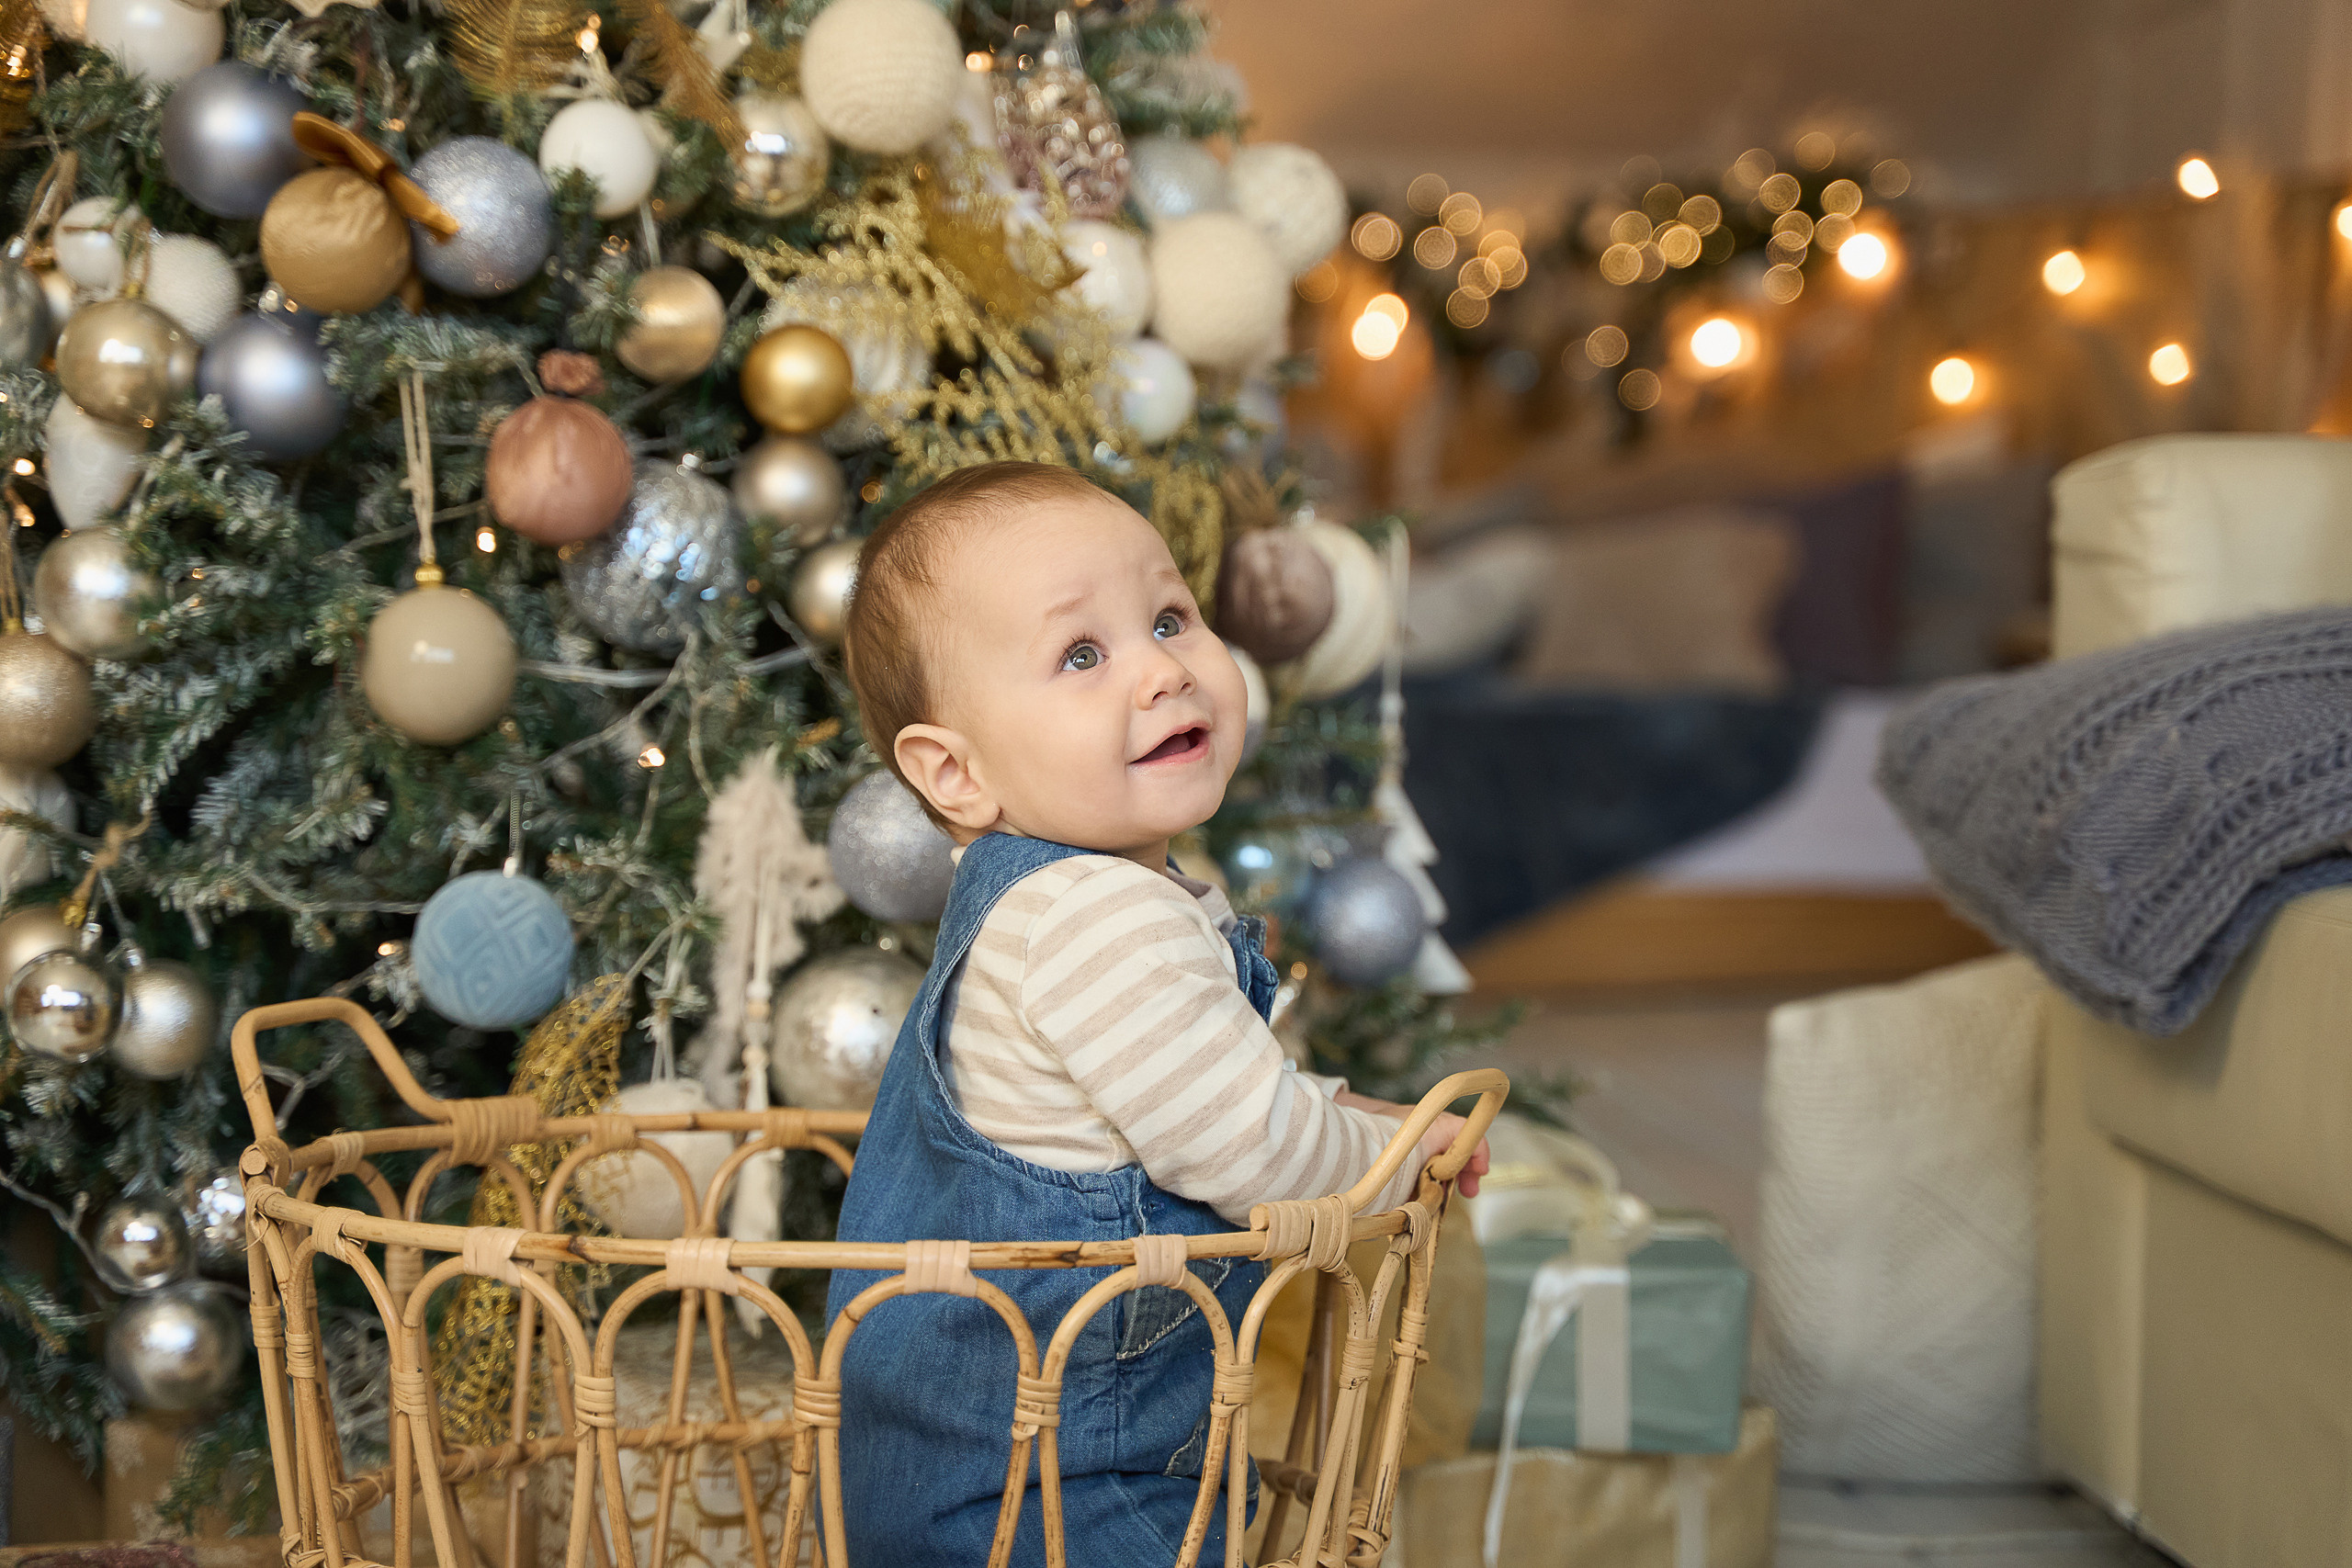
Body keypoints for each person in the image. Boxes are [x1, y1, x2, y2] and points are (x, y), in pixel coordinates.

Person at [824, 461, 1488, 1566]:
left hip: (980, 1481)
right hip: (1052, 1496)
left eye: (1170, 618)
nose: (1161, 672)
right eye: (1081, 654)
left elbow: (1199, 1094)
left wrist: (1346, 1104)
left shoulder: (1056, 902)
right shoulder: (1095, 918)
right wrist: (1393, 1148)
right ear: (955, 771)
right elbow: (1255, 1152)